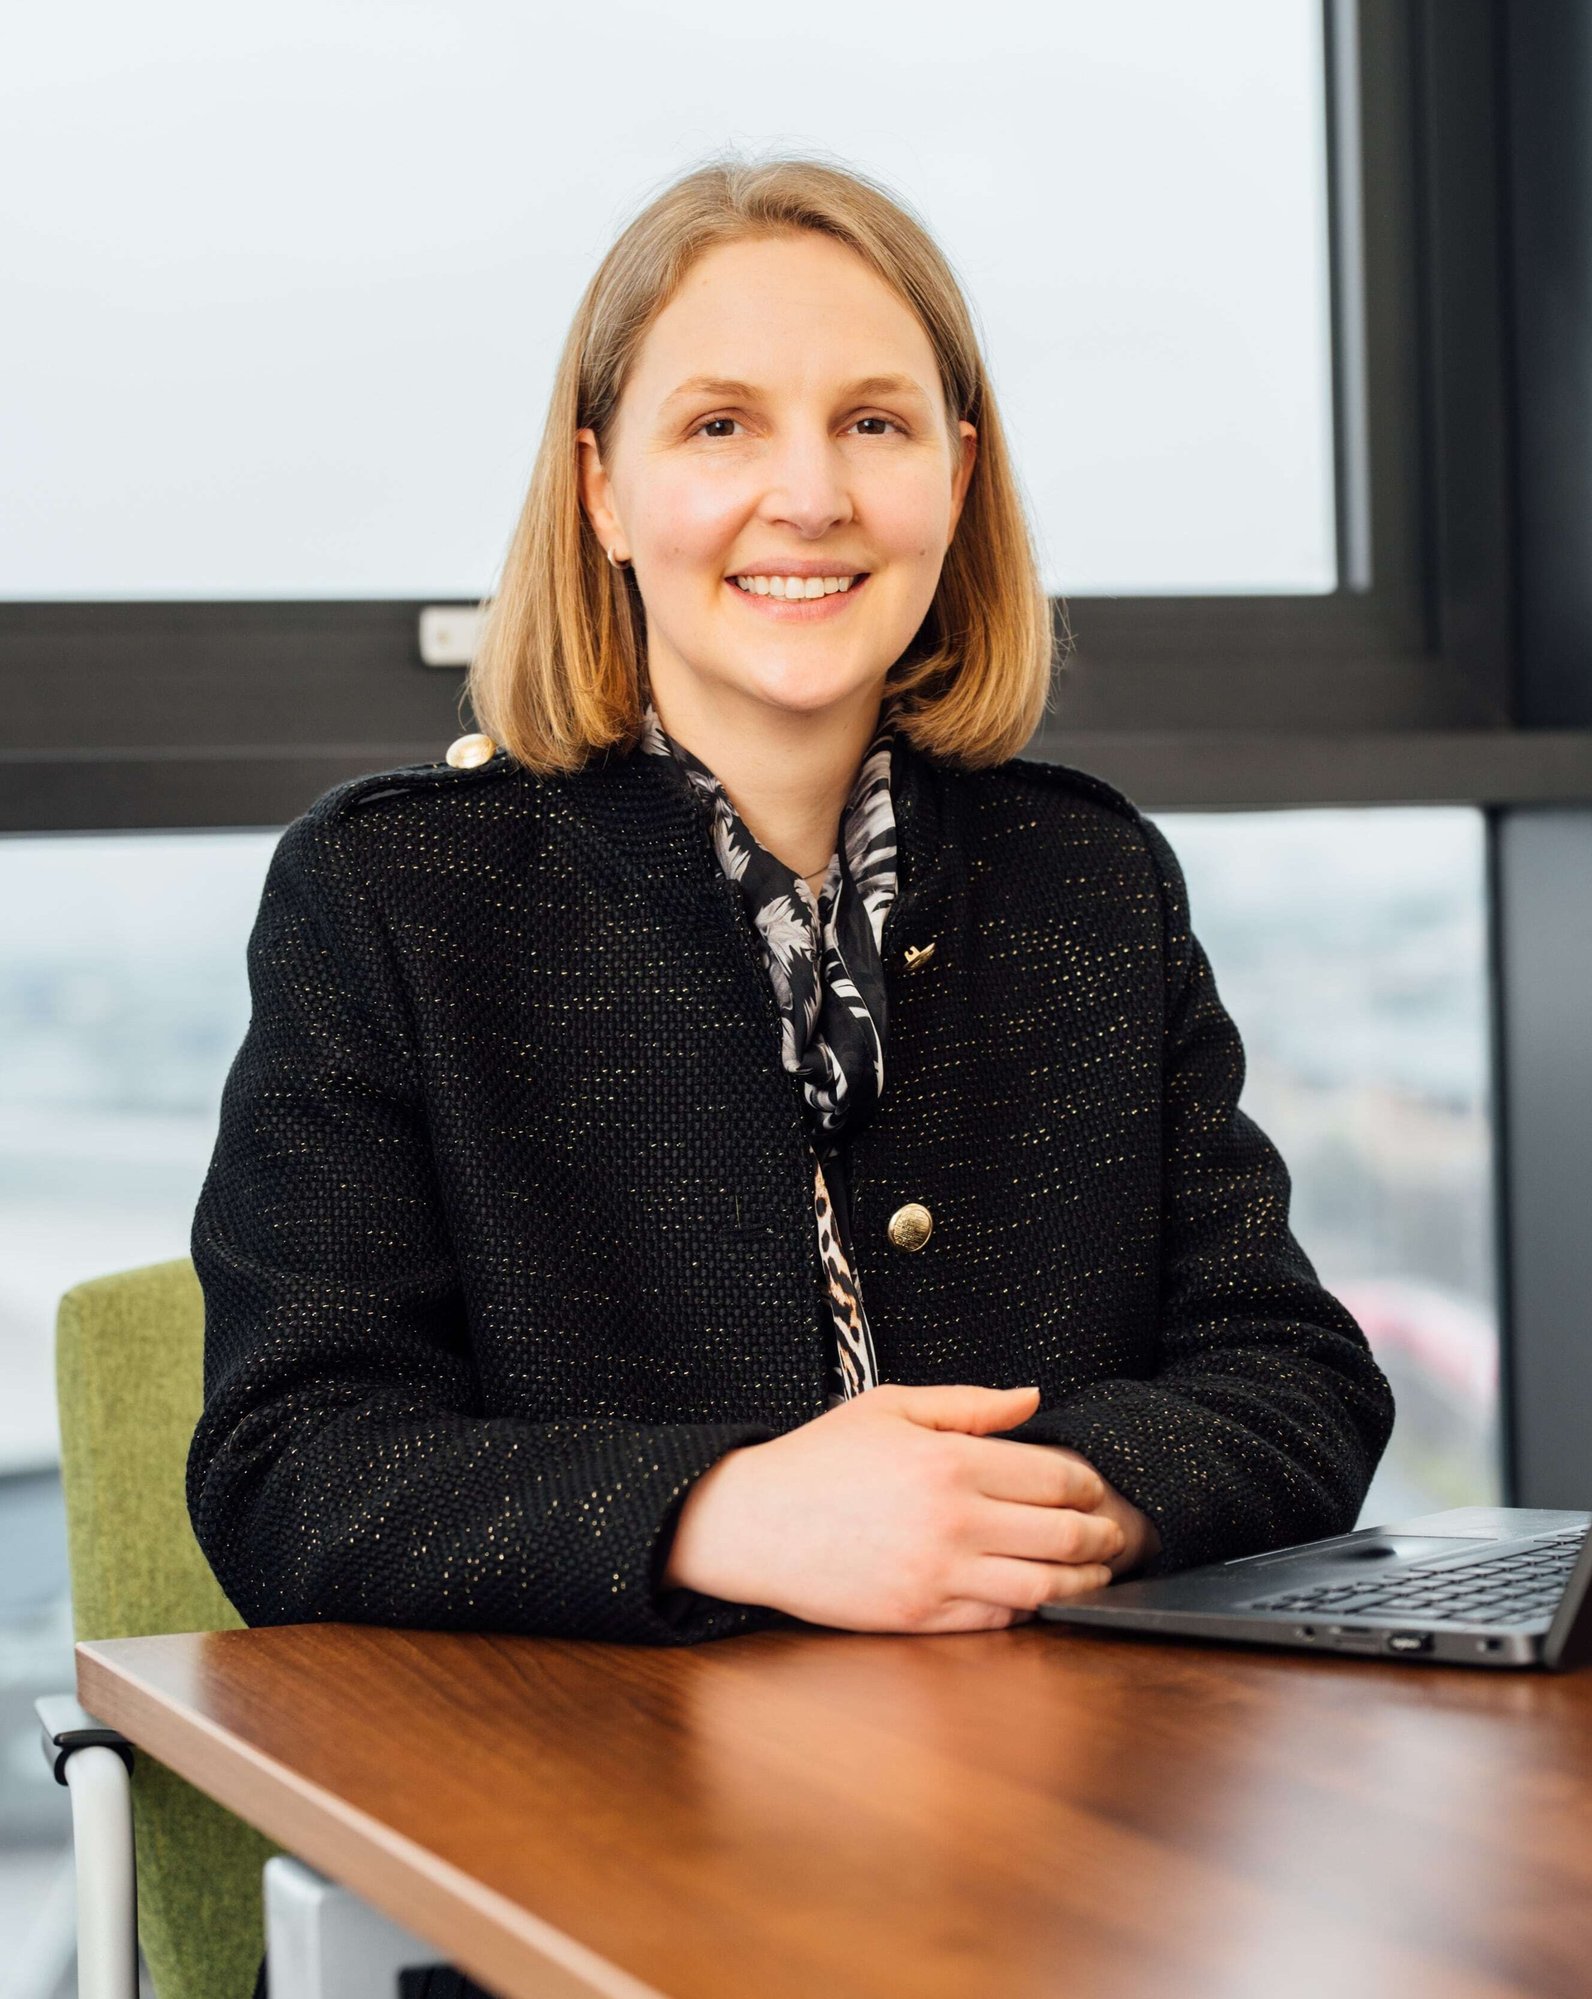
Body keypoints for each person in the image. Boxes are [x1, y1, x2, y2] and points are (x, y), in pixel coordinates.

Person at [189, 153, 1395, 1669]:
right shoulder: (393, 896)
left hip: (1070, 1784)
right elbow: (289, 1471)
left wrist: (1036, 1509)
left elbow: (1296, 1378)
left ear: (956, 478)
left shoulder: (1089, 881)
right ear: (602, 491)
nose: (811, 497)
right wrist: (727, 1511)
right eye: (720, 426)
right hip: (590, 1806)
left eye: (873, 425)